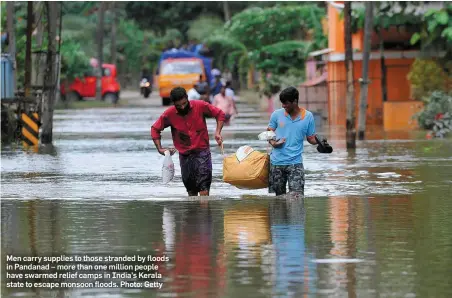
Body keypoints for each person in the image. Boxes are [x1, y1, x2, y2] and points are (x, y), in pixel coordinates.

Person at [151, 87, 226, 196]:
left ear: (187, 98)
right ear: (174, 104)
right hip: (185, 156)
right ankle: (192, 212)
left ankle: (204, 211)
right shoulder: (169, 114)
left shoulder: (200, 106)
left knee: (204, 189)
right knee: (191, 191)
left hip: (202, 153)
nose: (182, 107)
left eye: (184, 103)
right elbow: (155, 129)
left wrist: (218, 132)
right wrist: (160, 149)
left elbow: (220, 114)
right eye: (178, 105)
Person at [266, 86, 319, 197]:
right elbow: (269, 133)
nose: (283, 106)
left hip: (296, 163)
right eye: (282, 103)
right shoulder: (276, 114)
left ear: (295, 101)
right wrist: (273, 143)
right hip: (276, 163)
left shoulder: (308, 117)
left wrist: (319, 142)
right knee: (279, 199)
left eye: (286, 103)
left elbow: (311, 138)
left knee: (297, 197)